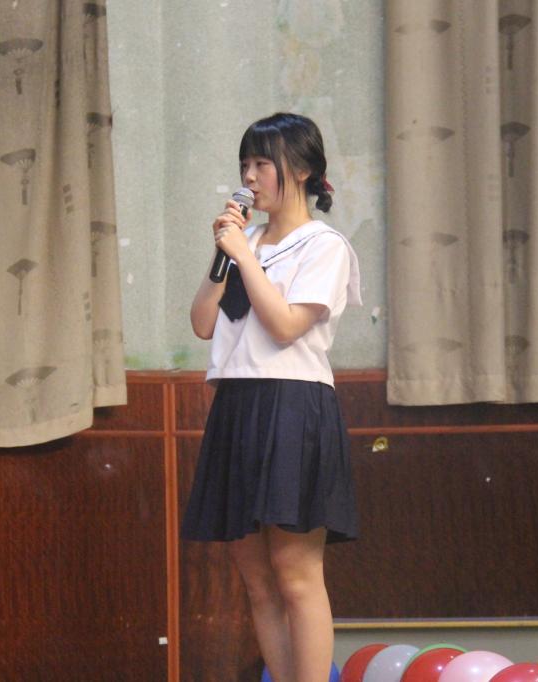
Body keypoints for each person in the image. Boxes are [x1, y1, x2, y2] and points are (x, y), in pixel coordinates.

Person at [181, 112, 361, 682]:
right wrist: (226, 255)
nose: (249, 177)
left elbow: (285, 326)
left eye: (262, 163)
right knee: (257, 580)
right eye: (245, 165)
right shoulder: (246, 241)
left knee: (295, 574)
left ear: (301, 170)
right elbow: (203, 323)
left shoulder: (324, 245)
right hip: (237, 406)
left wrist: (244, 256)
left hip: (293, 407)